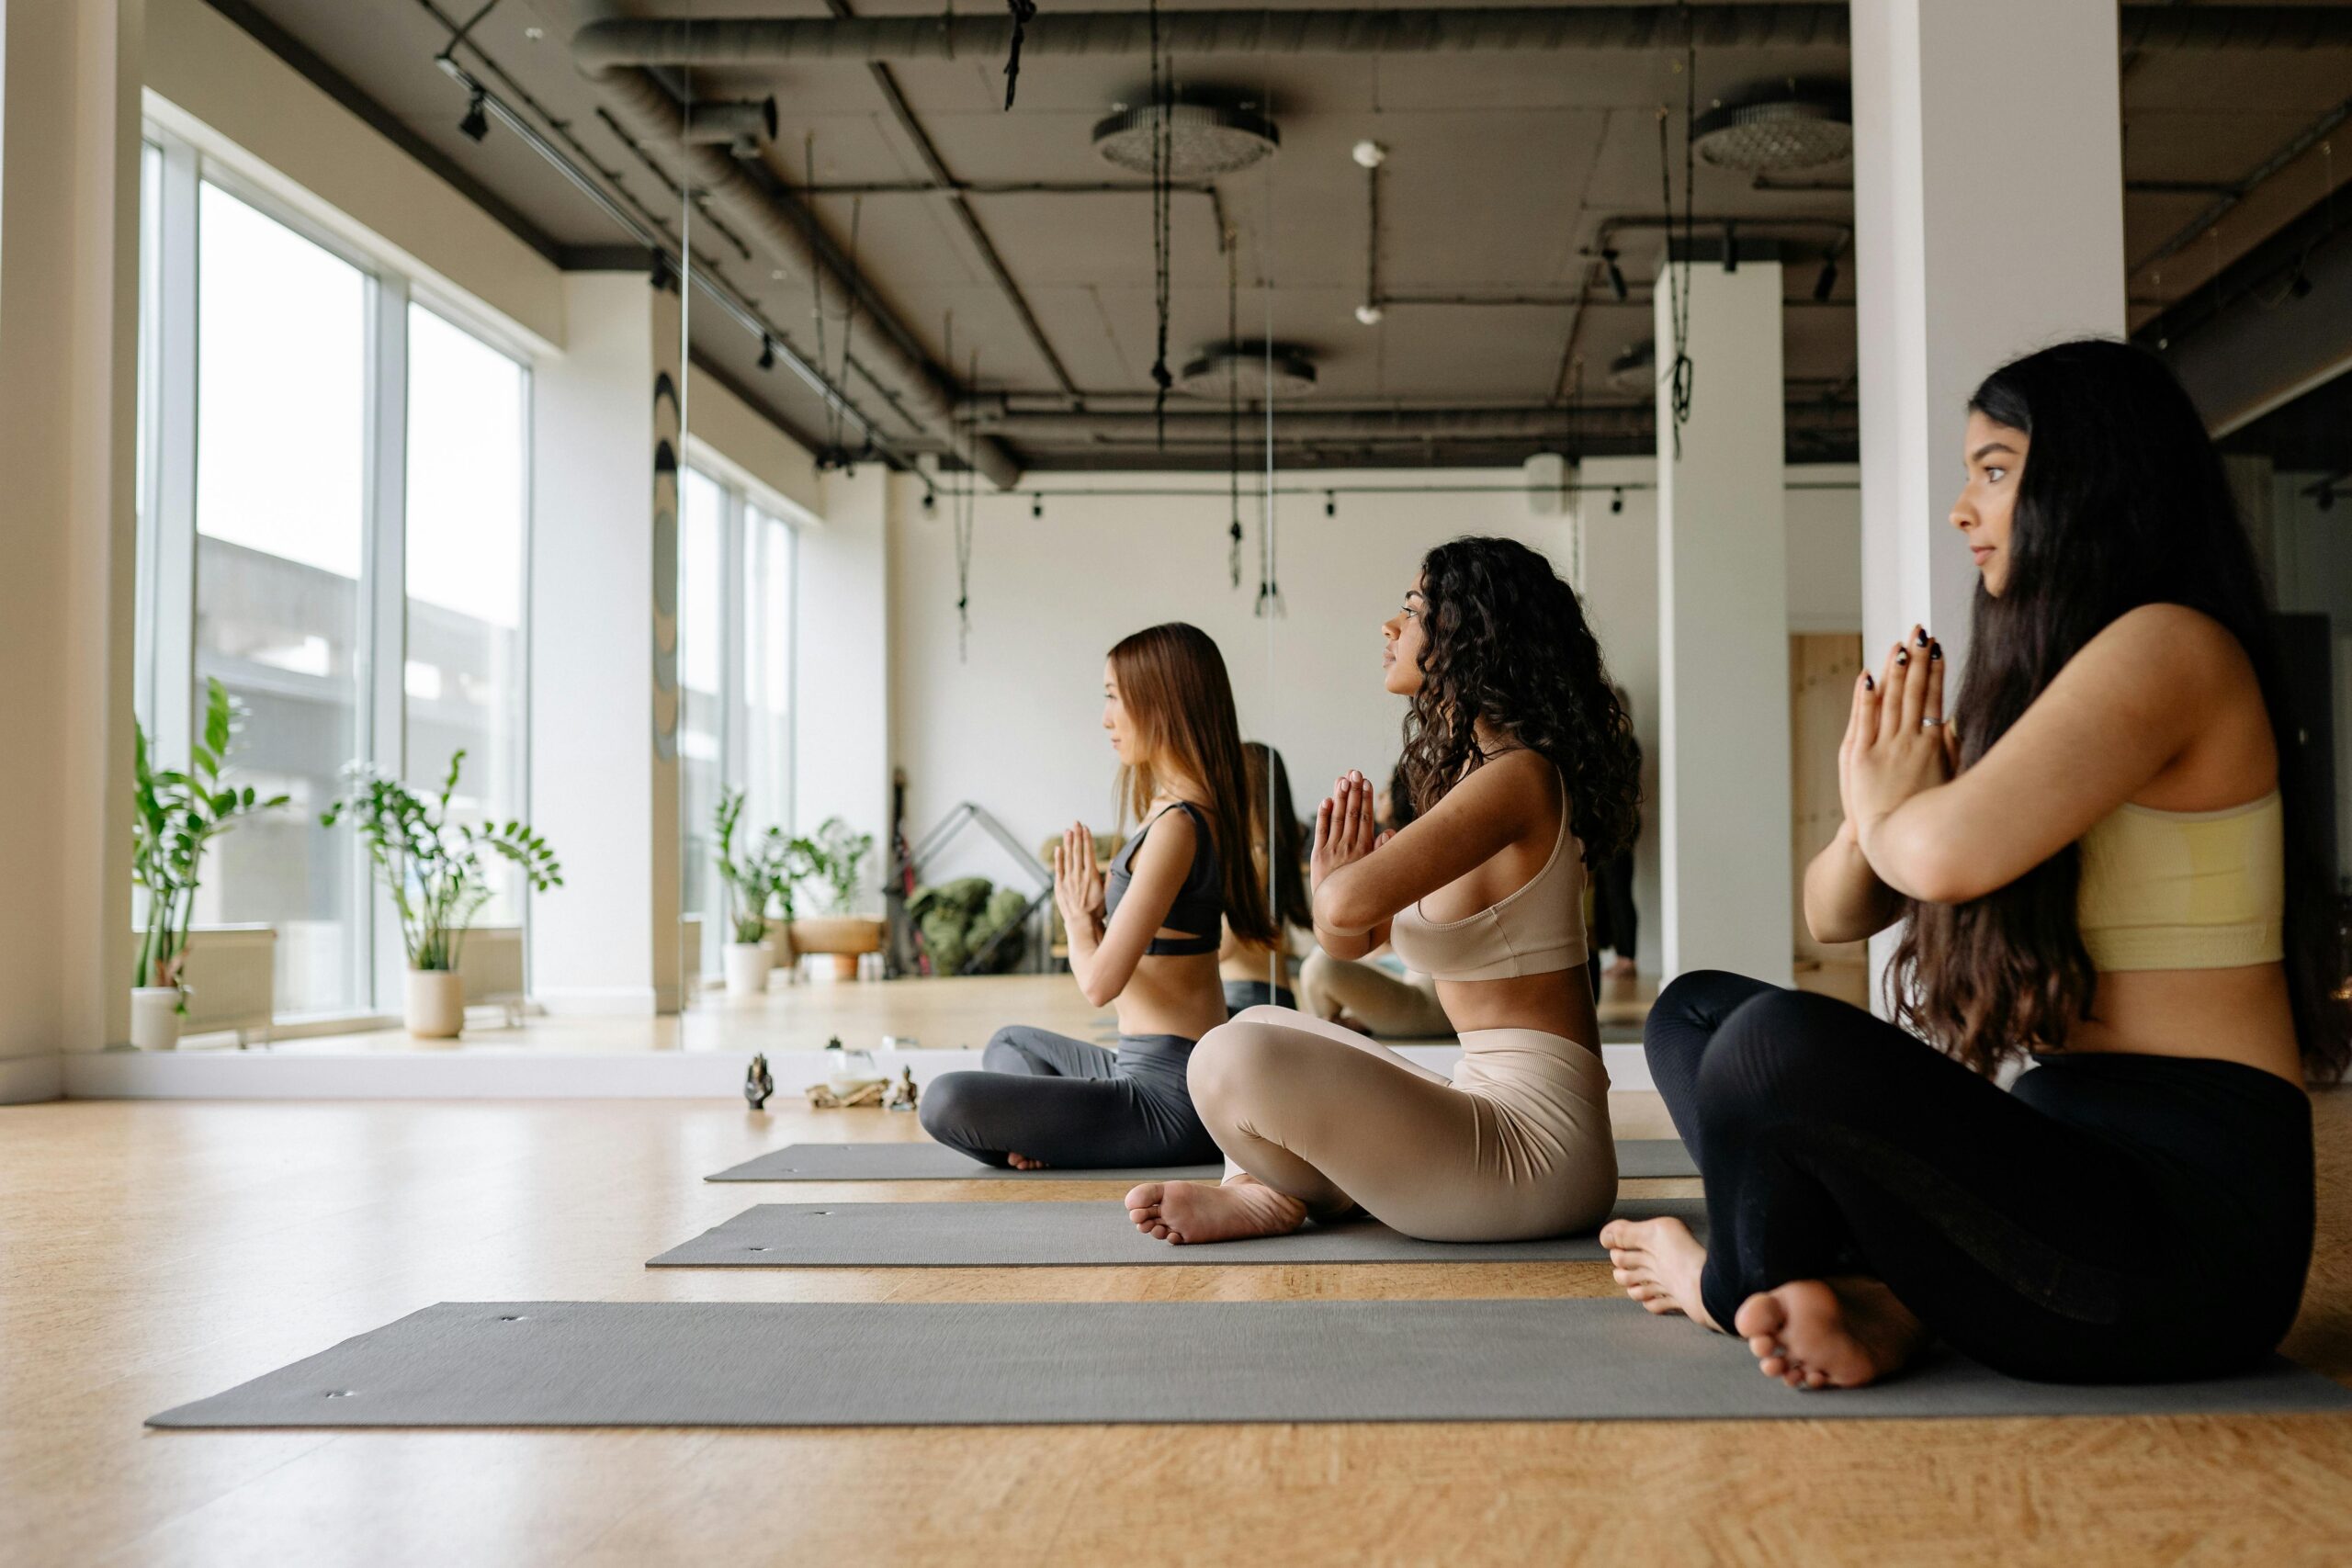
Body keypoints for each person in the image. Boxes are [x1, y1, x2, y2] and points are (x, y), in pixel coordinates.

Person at [1602, 339, 2343, 1391]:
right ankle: (1885, 1303)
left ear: (2092, 480)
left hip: (2186, 1248)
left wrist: (1889, 804)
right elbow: (1833, 914)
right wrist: (1870, 816)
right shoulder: (2067, 689)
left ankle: (1733, 1285)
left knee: (1768, 1046)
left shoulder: (2173, 647)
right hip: (2060, 1185)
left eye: (1993, 471)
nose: (1962, 508)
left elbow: (1940, 858)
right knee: (1696, 1013)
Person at [1125, 536, 1642, 1243]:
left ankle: (1284, 1191)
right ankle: (1273, 1189)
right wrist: (1330, 881)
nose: (1390, 625)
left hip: (1541, 1153)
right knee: (1252, 1027)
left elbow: (1343, 908)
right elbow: (1348, 937)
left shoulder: (1520, 778)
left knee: (1225, 1057)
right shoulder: (1470, 782)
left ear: (1472, 635)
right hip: (1484, 1107)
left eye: (1413, 608)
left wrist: (1337, 884)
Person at [919, 623, 1275, 1169]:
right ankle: (1043, 1132)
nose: (1106, 717)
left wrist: (1078, 921)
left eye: (1114, 697)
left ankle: (1041, 1133)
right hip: (1137, 1067)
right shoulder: (1171, 811)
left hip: (1170, 1099)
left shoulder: (1180, 825)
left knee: (945, 1100)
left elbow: (1099, 983)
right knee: (1011, 1042)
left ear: (1162, 702)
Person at [1295, 762, 1452, 1038]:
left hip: (1430, 1001)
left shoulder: (1430, 851)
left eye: (1387, 791)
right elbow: (1369, 940)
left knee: (1318, 968)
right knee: (1319, 963)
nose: (1380, 797)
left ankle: (1349, 1027)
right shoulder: (1391, 849)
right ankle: (1347, 1026)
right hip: (1401, 976)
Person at [1219, 742, 1309, 1015]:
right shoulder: (1273, 847)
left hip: (1247, 999)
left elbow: (1223, 947)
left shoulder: (1255, 857)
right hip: (1267, 996)